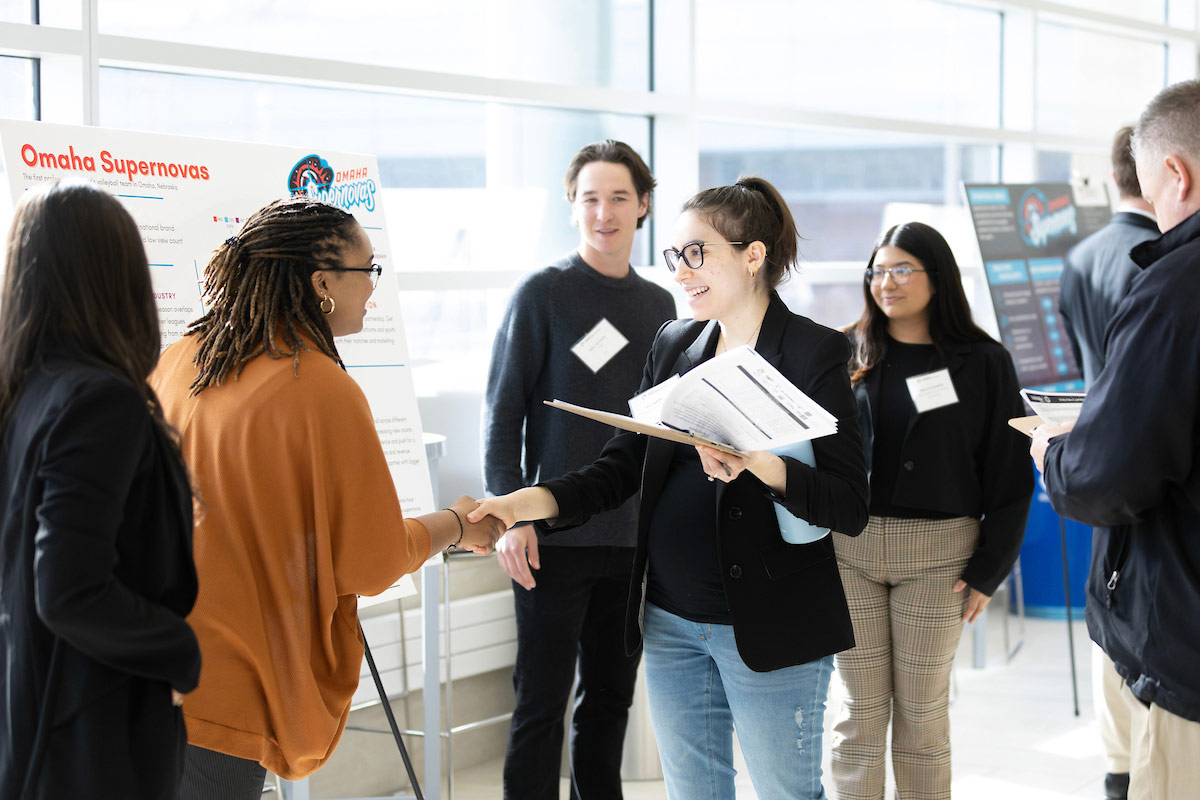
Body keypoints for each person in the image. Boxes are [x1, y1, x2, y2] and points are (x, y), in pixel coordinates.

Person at [472, 176, 869, 799]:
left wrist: (759, 464)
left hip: (768, 624)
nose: (681, 272)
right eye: (674, 256)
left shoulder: (812, 350)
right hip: (670, 623)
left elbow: (848, 503)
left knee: (788, 794)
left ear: (753, 254)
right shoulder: (676, 343)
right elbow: (619, 467)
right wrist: (525, 504)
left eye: (696, 254)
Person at [150, 197, 504, 799]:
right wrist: (454, 524)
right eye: (368, 272)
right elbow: (371, 561)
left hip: (150, 664)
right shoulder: (317, 386)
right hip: (230, 688)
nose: (373, 290)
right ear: (322, 284)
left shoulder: (180, 359)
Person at [482, 140, 676, 799]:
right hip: (550, 538)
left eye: (619, 197)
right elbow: (502, 414)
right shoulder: (544, 294)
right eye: (590, 198)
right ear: (572, 208)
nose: (605, 212)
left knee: (610, 704)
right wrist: (510, 516)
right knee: (540, 704)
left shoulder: (659, 308)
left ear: (643, 205)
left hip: (629, 542)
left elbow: (663, 427)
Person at [0, 181, 202, 799]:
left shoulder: (25, 394)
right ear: (120, 280)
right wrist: (177, 651)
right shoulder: (99, 402)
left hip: (35, 713)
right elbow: (68, 587)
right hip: (93, 727)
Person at [1033, 78, 1200, 800]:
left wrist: (1055, 456)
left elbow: (1112, 475)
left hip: (1185, 635)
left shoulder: (1177, 283)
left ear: (1176, 173)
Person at [831, 222, 1033, 800]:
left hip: (940, 555)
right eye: (877, 270)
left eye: (901, 270)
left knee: (922, 714)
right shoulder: (846, 352)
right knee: (858, 715)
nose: (885, 283)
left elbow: (1010, 473)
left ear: (937, 276)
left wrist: (990, 570)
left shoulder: (984, 361)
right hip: (851, 550)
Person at [1057, 125, 1157, 800]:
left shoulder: (1080, 256)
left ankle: (1118, 762)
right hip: (1150, 456)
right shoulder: (1159, 259)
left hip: (1095, 449)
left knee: (1108, 604)